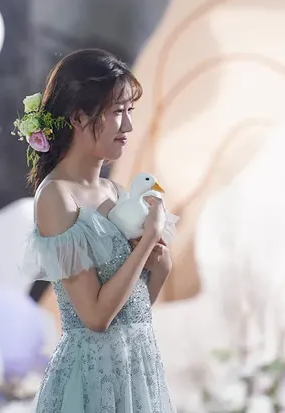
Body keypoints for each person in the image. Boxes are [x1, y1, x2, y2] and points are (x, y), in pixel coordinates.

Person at [17, 49, 175, 412]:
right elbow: (96, 318)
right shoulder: (56, 196)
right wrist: (147, 241)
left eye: (129, 110)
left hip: (135, 372)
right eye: (117, 111)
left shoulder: (114, 192)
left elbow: (131, 312)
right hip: (90, 384)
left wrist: (161, 265)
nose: (128, 126)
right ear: (78, 117)